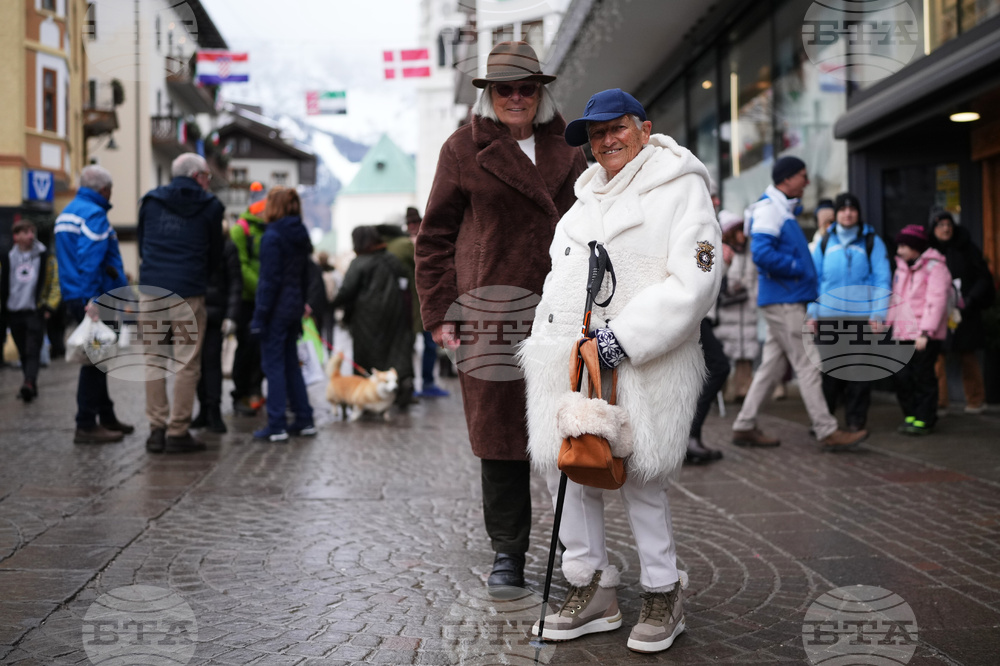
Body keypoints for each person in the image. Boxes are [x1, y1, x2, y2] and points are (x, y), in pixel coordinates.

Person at [520, 88, 721, 653]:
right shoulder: (580, 205)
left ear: (644, 127)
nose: (606, 140)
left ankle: (662, 590)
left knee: (642, 480)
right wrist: (550, 348)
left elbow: (696, 280)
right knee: (575, 472)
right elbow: (556, 284)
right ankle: (591, 587)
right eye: (595, 133)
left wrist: (623, 339)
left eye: (617, 128)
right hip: (572, 363)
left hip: (641, 359)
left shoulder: (682, 188)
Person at [415, 41, 587, 593]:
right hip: (490, 310)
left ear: (541, 93)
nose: (516, 98)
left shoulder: (571, 146)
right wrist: (441, 311)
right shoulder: (462, 149)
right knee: (500, 434)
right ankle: (508, 552)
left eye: (526, 88)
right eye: (505, 89)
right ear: (490, 95)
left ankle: (576, 547)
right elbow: (434, 237)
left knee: (567, 425)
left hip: (562, 309)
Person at [731, 156, 868, 451]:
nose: (807, 182)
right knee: (808, 364)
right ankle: (827, 429)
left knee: (770, 368)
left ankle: (744, 424)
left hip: (784, 298)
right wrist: (797, 267)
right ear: (788, 178)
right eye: (802, 176)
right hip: (785, 300)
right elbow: (762, 254)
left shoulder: (778, 207)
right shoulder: (771, 208)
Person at [138, 152, 223, 453]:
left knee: (154, 360)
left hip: (151, 292)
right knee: (187, 363)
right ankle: (178, 431)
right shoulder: (210, 206)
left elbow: (142, 242)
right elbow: (216, 253)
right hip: (188, 292)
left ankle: (156, 430)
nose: (208, 182)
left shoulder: (150, 201)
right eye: (207, 177)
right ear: (198, 175)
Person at [53, 165, 132, 444]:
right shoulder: (94, 214)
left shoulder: (68, 213)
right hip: (97, 298)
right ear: (104, 190)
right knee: (96, 360)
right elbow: (90, 259)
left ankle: (106, 416)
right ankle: (86, 423)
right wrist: (94, 300)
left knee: (100, 357)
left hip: (76, 294)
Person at [807, 192, 891, 432]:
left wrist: (878, 314)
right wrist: (812, 312)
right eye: (842, 209)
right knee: (829, 374)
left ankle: (855, 422)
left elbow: (882, 279)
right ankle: (825, 423)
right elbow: (814, 280)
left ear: (858, 212)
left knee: (858, 372)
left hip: (861, 318)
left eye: (852, 209)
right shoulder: (825, 241)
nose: (847, 213)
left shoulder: (871, 241)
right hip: (828, 318)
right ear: (836, 214)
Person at [249, 187, 316, 442]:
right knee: (290, 364)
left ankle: (276, 424)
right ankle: (304, 418)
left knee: (273, 365)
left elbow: (268, 280)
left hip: (276, 308)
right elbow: (305, 274)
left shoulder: (272, 236)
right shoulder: (300, 233)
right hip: (294, 307)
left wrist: (259, 316)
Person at [887, 225, 952, 435]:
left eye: (904, 246)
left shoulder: (936, 268)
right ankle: (911, 415)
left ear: (916, 246)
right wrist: (887, 323)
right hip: (902, 332)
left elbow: (937, 302)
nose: (899, 250)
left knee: (923, 377)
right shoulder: (901, 267)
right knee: (902, 377)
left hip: (924, 335)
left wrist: (925, 332)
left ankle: (925, 419)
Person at [929, 211, 995, 414]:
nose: (946, 229)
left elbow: (983, 277)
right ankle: (939, 402)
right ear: (933, 229)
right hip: (938, 312)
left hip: (965, 310)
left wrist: (970, 299)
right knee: (936, 356)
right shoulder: (929, 252)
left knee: (968, 354)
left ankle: (976, 400)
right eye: (941, 225)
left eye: (949, 224)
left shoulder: (967, 248)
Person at [331, 226, 412, 385]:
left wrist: (330, 304)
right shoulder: (391, 258)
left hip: (365, 318)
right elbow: (405, 282)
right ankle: (400, 384)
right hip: (394, 313)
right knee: (393, 352)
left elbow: (347, 291)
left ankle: (367, 390)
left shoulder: (359, 262)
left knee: (367, 356)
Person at [1, 218, 60, 402]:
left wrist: (50, 306)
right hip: (14, 311)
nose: (30, 236)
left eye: (32, 231)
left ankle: (28, 382)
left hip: (35, 311)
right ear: (16, 236)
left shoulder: (44, 256)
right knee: (23, 351)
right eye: (26, 232)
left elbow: (55, 283)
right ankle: (30, 384)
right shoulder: (7, 258)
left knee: (33, 348)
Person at [191, 233, 242, 433]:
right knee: (197, 365)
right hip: (200, 312)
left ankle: (212, 410)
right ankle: (205, 409)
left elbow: (234, 283)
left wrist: (231, 315)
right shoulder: (221, 245)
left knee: (210, 364)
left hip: (212, 315)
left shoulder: (226, 247)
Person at [403, 208, 449, 399]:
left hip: (425, 304)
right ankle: (410, 384)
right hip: (410, 305)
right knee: (409, 345)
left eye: (415, 222)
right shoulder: (404, 245)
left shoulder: (426, 241)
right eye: (410, 223)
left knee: (430, 345)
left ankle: (427, 382)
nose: (413, 226)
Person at [230, 185, 268, 416]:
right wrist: (262, 289)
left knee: (261, 349)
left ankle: (255, 390)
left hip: (264, 300)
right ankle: (241, 393)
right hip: (246, 301)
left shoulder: (269, 230)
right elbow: (240, 267)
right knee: (246, 347)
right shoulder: (240, 230)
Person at [715, 210, 761, 401]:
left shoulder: (751, 253)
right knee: (725, 354)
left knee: (746, 355)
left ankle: (744, 390)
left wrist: (752, 297)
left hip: (747, 311)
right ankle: (722, 392)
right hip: (727, 312)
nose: (744, 235)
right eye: (739, 231)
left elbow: (756, 281)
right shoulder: (723, 250)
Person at [377, 221, 419, 407]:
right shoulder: (403, 245)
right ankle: (406, 388)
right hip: (409, 303)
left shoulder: (384, 249)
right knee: (406, 349)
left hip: (388, 308)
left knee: (395, 349)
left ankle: (398, 389)